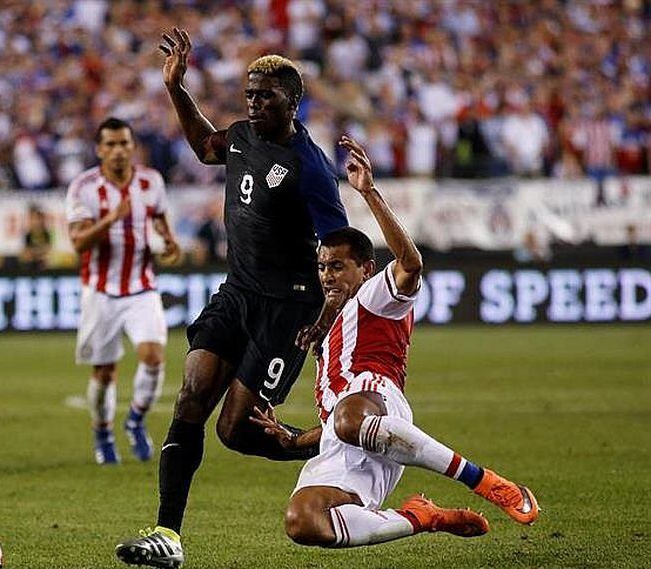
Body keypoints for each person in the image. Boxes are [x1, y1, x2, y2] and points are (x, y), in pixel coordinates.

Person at [116, 28, 348, 567]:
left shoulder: (310, 168)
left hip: (287, 308)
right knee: (191, 394)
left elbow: (340, 251)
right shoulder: (242, 136)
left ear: (292, 100)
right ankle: (167, 536)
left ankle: (335, 441)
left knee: (236, 431)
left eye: (264, 94)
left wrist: (324, 317)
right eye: (249, 93)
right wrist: (176, 87)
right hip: (238, 291)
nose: (253, 102)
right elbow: (204, 147)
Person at [249, 135, 539, 551]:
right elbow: (338, 423)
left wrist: (368, 192)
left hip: (377, 400)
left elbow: (410, 263)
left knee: (349, 421)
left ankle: (486, 482)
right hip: (350, 437)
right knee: (303, 521)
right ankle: (419, 518)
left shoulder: (373, 297)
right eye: (321, 267)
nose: (327, 275)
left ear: (365, 268)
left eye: (337, 266)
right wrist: (294, 439)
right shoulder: (326, 333)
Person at [66, 117, 180, 465]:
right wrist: (112, 218)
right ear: (100, 150)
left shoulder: (150, 181)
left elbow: (158, 218)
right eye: (111, 145)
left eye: (124, 144)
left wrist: (169, 239)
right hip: (100, 292)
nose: (118, 151)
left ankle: (135, 420)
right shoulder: (83, 187)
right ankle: (102, 432)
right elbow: (77, 242)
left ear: (133, 147)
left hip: (141, 287)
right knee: (104, 372)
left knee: (153, 357)